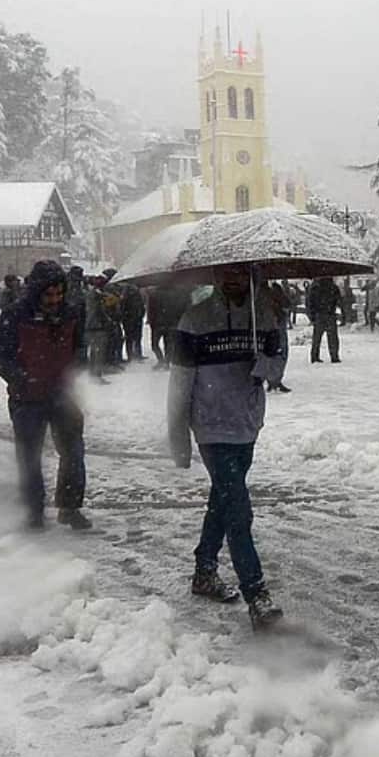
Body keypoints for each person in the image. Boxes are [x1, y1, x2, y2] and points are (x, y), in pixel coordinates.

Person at [168, 267, 287, 631]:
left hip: (246, 423)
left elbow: (278, 367)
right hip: (209, 425)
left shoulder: (265, 317)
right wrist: (177, 434)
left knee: (222, 500)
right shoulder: (195, 319)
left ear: (251, 277)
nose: (232, 281)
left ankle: (204, 570)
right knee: (238, 508)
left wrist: (262, 365)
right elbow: (179, 381)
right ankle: (257, 594)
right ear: (217, 278)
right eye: (227, 276)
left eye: (240, 275)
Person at [0, 261, 91, 530]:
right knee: (30, 455)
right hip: (27, 397)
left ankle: (69, 507)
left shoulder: (70, 313)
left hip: (62, 394)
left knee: (73, 452)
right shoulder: (15, 315)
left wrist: (76, 365)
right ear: (36, 292)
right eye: (48, 295)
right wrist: (20, 377)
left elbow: (80, 346)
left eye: (59, 294)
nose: (54, 300)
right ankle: (34, 509)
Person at [148, 284, 193, 369]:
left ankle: (162, 361)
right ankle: (166, 362)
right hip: (170, 322)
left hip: (159, 323)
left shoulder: (154, 294)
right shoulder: (177, 293)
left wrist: (151, 321)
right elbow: (181, 308)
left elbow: (151, 310)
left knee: (155, 344)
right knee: (168, 344)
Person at [84, 274, 118, 382]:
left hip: (89, 325)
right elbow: (101, 311)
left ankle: (92, 373)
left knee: (94, 352)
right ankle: (97, 376)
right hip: (98, 326)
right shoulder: (97, 295)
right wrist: (109, 320)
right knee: (99, 352)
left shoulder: (90, 293)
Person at [307, 275, 342, 364]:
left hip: (319, 314)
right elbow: (339, 300)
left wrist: (312, 315)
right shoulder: (333, 287)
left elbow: (310, 301)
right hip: (330, 314)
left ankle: (314, 356)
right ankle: (334, 356)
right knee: (332, 337)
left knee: (317, 337)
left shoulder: (315, 287)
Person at [119, 281, 148, 364]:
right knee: (133, 337)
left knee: (132, 337)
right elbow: (140, 305)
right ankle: (135, 355)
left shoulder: (130, 293)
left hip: (132, 318)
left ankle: (133, 355)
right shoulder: (129, 293)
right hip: (132, 318)